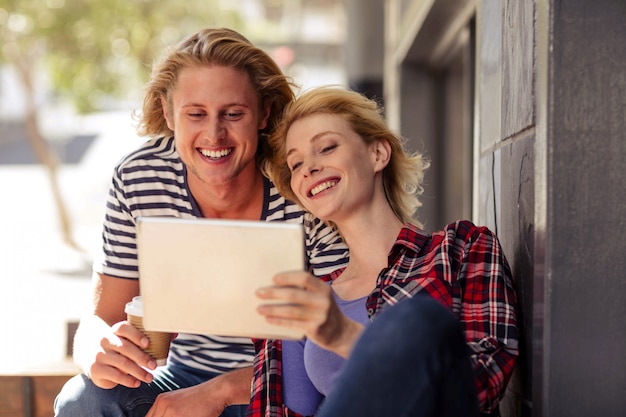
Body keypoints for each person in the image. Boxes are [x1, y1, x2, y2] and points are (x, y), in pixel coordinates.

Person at [54, 29, 348, 417]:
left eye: (233, 113)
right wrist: (96, 351)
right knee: (83, 400)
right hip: (181, 375)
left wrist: (222, 390)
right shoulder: (139, 177)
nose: (214, 134)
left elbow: (341, 348)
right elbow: (101, 319)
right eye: (196, 114)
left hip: (295, 380)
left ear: (264, 113)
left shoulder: (300, 179)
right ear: (168, 112)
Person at [248, 86, 519, 417]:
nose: (309, 168)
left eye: (327, 147)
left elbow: (483, 383)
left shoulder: (462, 248)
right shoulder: (311, 303)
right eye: (296, 163)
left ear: (377, 154)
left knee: (419, 320)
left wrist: (344, 336)